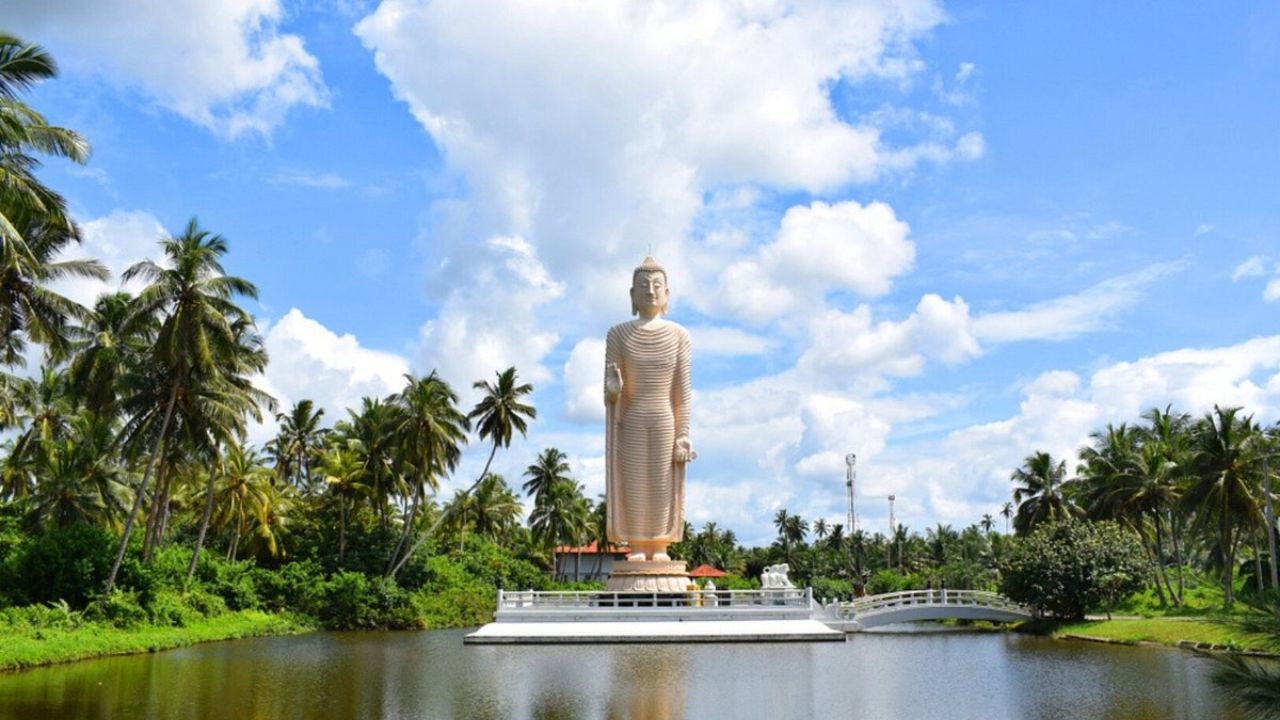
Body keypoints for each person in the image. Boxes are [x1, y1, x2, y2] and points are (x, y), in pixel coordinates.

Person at [604, 256, 695, 562]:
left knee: (661, 486)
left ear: (667, 294)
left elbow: (682, 395)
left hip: (664, 421)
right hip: (631, 420)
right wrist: (613, 393)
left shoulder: (680, 336)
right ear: (632, 295)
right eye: (643, 286)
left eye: (657, 286)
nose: (651, 292)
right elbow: (611, 388)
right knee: (633, 484)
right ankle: (639, 544)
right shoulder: (617, 334)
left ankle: (660, 545)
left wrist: (683, 435)